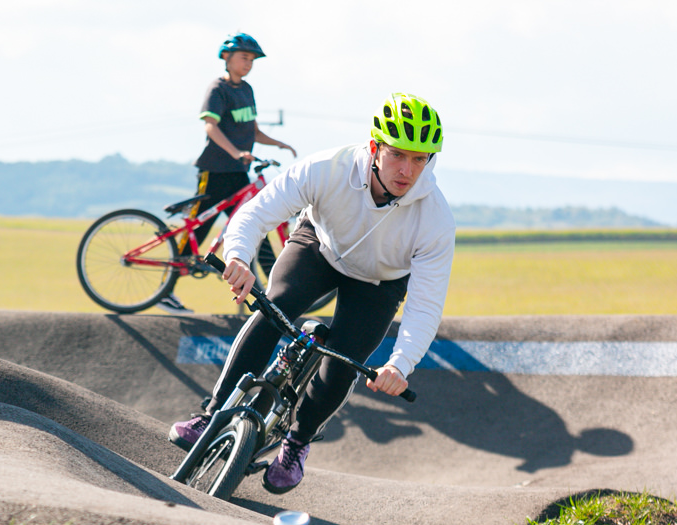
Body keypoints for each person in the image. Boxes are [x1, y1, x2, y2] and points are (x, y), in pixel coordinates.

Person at [169, 93, 455, 494]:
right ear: (374, 148)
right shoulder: (328, 168)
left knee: (347, 359)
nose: (408, 170)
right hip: (318, 247)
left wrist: (400, 365)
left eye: (420, 159)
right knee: (274, 307)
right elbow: (255, 213)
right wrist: (237, 257)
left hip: (380, 281)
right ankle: (214, 414)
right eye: (398, 155)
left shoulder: (435, 218)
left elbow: (427, 303)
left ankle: (297, 443)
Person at [157, 32, 297, 314]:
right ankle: (165, 292)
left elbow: (254, 131)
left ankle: (279, 293)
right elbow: (210, 126)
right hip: (215, 172)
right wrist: (236, 152)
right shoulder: (217, 89)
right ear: (226, 58)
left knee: (254, 227)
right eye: (244, 58)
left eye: (252, 60)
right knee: (197, 228)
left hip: (238, 174)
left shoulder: (247, 90)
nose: (248, 64)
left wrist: (280, 143)